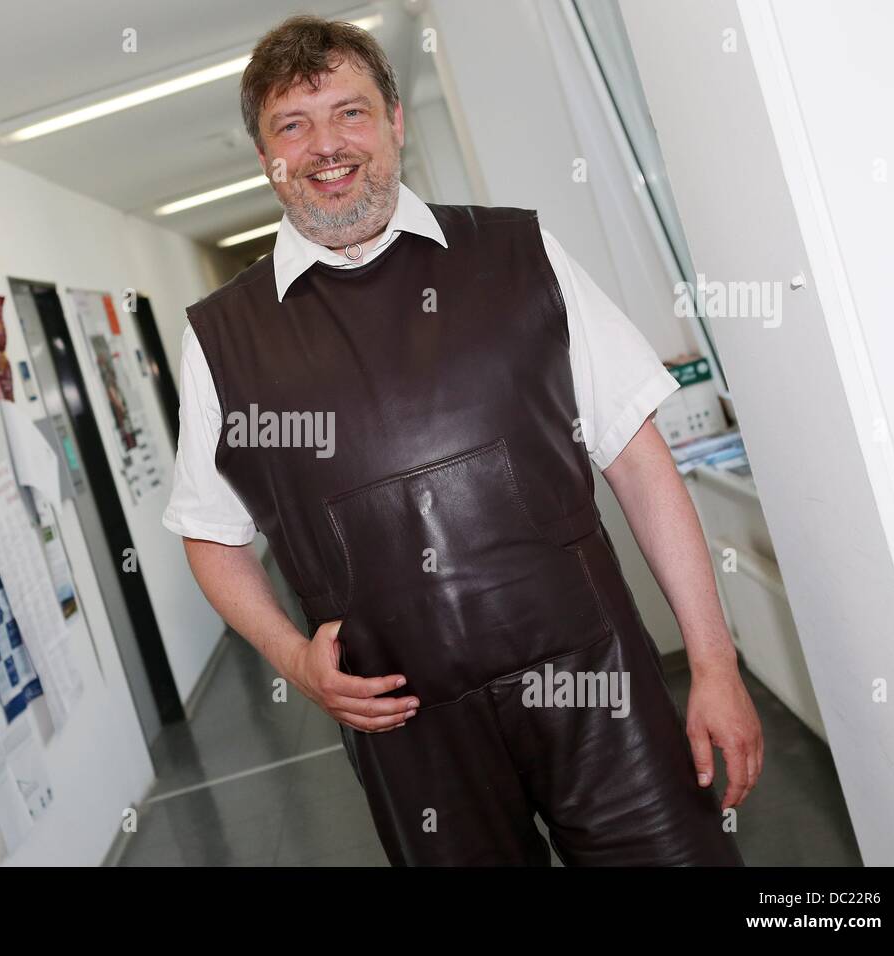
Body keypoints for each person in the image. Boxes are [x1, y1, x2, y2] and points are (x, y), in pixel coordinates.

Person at [162, 14, 761, 866]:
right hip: (409, 732)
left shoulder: (520, 252)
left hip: (601, 695)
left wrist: (714, 662)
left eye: (351, 112)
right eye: (292, 125)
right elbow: (212, 536)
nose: (326, 145)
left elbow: (638, 458)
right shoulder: (223, 338)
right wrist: (294, 659)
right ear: (267, 156)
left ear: (396, 121)